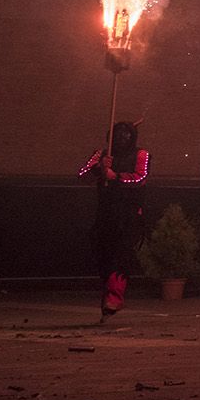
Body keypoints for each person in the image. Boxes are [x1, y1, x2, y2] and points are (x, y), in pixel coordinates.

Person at [78, 121, 150, 320]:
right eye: (118, 134)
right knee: (104, 258)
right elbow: (83, 176)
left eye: (126, 135)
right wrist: (99, 169)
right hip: (105, 215)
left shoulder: (142, 155)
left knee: (121, 256)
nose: (122, 138)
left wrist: (115, 176)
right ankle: (108, 296)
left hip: (129, 216)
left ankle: (115, 297)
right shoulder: (101, 154)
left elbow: (140, 178)